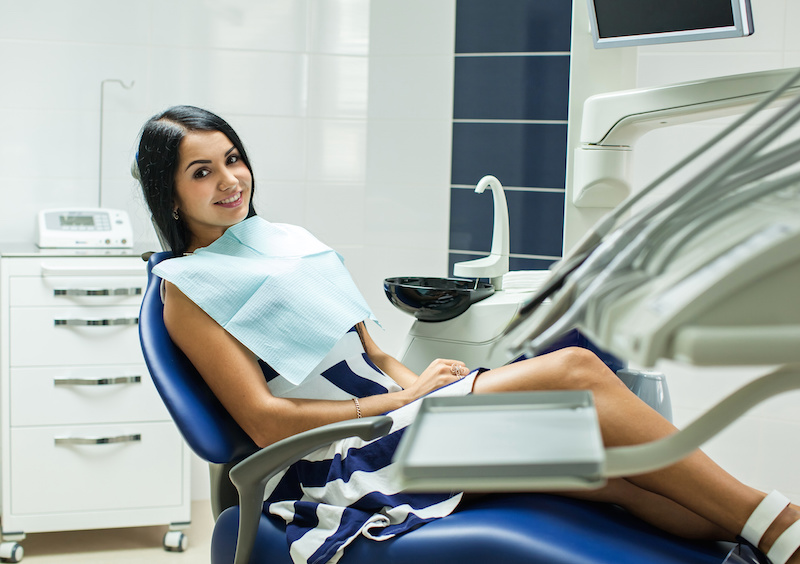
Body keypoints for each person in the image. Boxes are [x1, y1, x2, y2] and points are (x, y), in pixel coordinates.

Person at [134, 105, 800, 564]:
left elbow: (377, 353)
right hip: (333, 460)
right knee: (576, 374)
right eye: (202, 171)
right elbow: (264, 421)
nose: (229, 181)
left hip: (398, 421)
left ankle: (754, 544)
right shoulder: (188, 289)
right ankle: (781, 524)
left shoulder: (282, 244)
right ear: (172, 193)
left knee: (610, 476)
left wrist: (415, 381)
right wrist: (397, 402)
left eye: (233, 159)